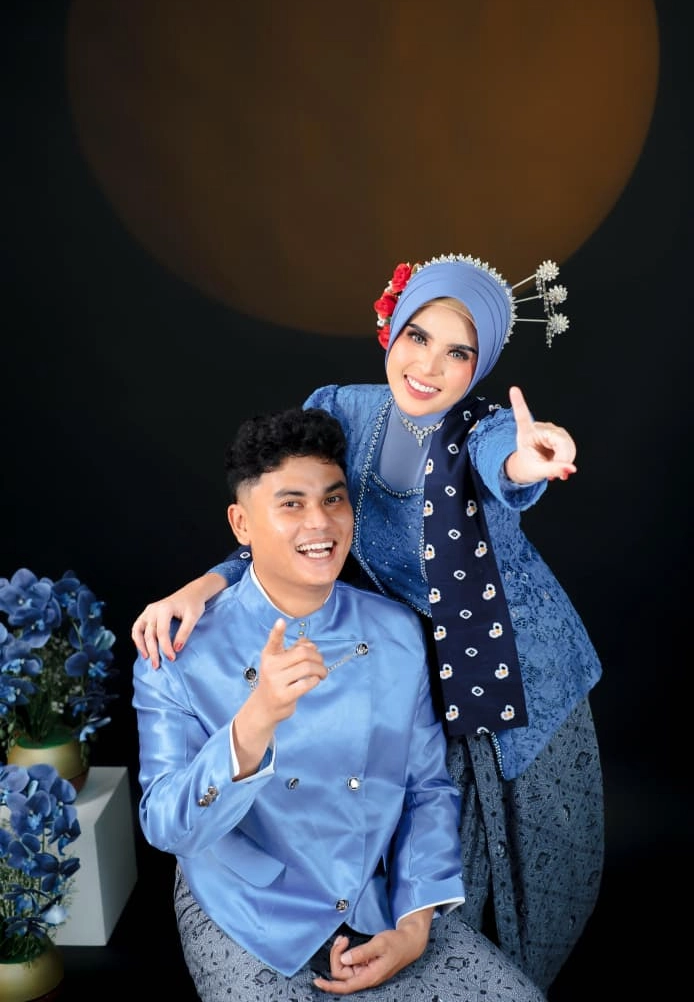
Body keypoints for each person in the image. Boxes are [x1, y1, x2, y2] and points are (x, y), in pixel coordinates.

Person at [132, 253, 603, 994]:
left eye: (459, 353)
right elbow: (283, 501)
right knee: (426, 819)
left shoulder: (482, 431)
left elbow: (502, 461)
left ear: (480, 369)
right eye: (418, 336)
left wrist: (526, 459)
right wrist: (207, 582)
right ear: (392, 328)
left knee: (527, 858)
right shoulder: (342, 409)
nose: (429, 367)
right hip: (409, 653)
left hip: (512, 664)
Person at [132, 405, 548, 1002]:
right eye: (291, 504)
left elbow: (426, 788)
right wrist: (254, 722)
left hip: (376, 898)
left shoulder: (396, 631)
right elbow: (166, 825)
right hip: (249, 910)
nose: (320, 523)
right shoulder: (177, 649)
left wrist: (414, 923)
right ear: (241, 524)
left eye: (333, 499)